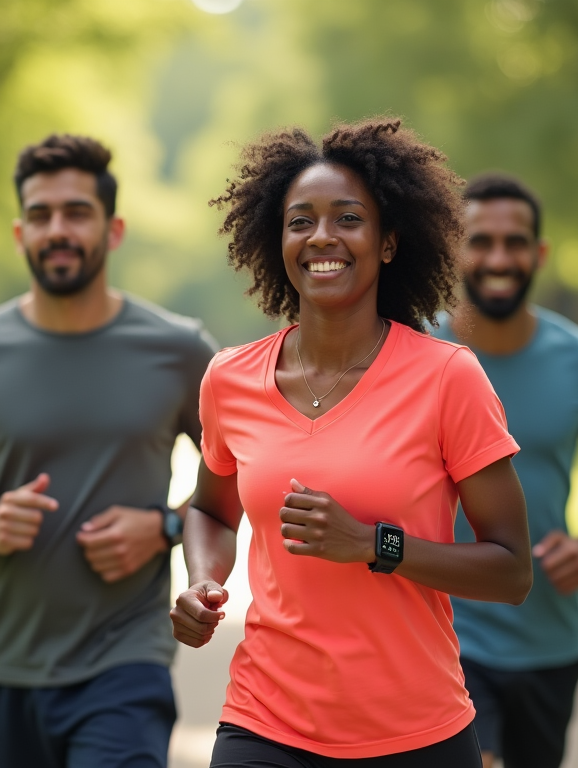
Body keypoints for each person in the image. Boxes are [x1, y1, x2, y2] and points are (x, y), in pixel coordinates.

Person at [170, 119, 535, 768]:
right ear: (277, 240)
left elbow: (511, 570)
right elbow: (209, 510)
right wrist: (202, 581)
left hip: (416, 734)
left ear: (389, 242)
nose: (322, 238)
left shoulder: (448, 377)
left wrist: (374, 544)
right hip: (264, 723)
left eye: (348, 218)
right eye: (300, 221)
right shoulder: (231, 378)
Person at [0, 133, 217, 768]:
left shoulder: (178, 350)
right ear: (20, 233)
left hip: (127, 659)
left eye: (76, 212)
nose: (57, 230)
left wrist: (166, 526)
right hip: (9, 673)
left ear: (113, 229)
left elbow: (243, 474)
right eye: (41, 215)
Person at [431, 172, 578, 768]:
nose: (499, 257)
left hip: (549, 642)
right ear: (455, 248)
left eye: (515, 241)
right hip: (448, 636)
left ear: (539, 253)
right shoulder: (413, 357)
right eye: (481, 240)